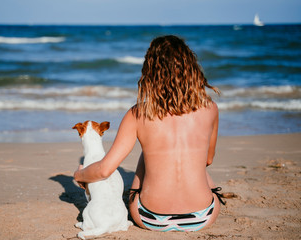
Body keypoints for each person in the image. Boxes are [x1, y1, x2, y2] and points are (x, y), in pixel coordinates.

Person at [74, 35, 223, 232]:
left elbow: (103, 170)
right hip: (202, 216)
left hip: (150, 218)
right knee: (192, 158)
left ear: (150, 72)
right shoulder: (210, 108)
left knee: (149, 151)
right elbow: (208, 160)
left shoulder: (138, 113)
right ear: (190, 69)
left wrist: (81, 174)